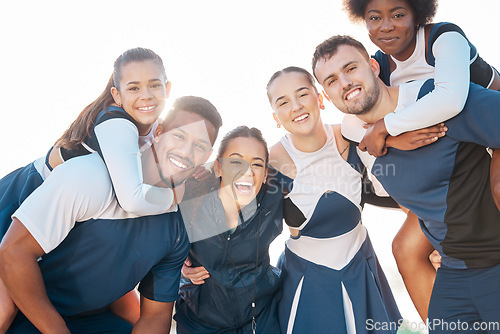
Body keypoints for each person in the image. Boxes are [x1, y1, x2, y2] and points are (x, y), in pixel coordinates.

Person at [313, 34, 500, 333]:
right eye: (331, 80)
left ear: (374, 67)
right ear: (326, 95)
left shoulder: (435, 101)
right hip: (455, 276)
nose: (344, 83)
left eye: (351, 68)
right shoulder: (362, 143)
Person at [0, 96, 222, 334]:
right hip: (27, 305)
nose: (186, 151)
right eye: (179, 135)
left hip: (86, 317)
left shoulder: (176, 227)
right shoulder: (90, 177)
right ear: (158, 131)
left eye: (199, 146)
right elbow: (14, 252)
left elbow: (155, 315)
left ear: (207, 155)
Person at [0, 47, 179, 330]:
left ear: (168, 89)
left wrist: (192, 257)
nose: (145, 95)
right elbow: (131, 199)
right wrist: (176, 198)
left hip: (71, 222)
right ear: (116, 95)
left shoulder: (160, 128)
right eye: (134, 87)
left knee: (132, 313)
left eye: (154, 85)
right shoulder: (117, 122)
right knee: (4, 310)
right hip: (22, 199)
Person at [265, 66, 436, 334]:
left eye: (303, 95)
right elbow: (231, 217)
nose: (296, 107)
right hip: (307, 280)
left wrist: (434, 241)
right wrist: (190, 263)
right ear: (276, 117)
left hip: (361, 267)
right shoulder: (269, 163)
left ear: (320, 99)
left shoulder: (352, 135)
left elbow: (401, 193)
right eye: (283, 102)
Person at [174, 126, 284, 333]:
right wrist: (179, 267)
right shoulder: (190, 202)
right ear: (218, 168)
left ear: (266, 172)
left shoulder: (274, 197)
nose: (247, 170)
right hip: (201, 323)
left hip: (262, 318)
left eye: (257, 164)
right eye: (236, 161)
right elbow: (158, 245)